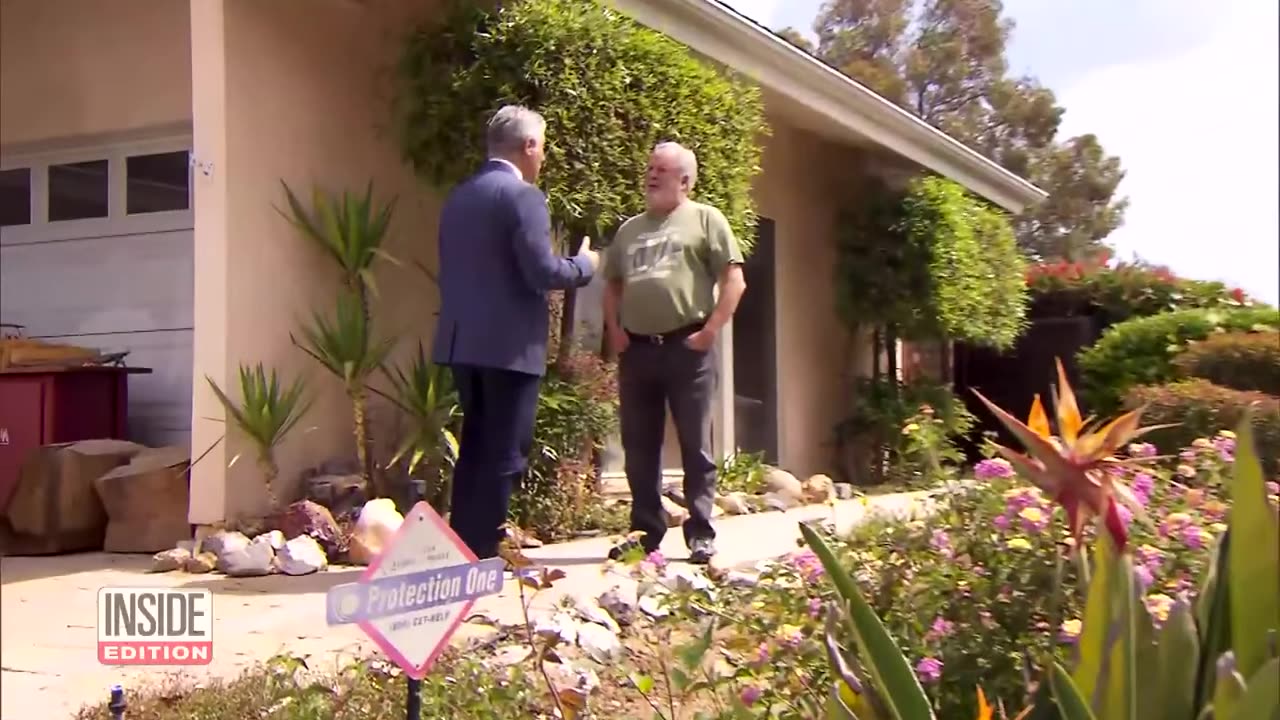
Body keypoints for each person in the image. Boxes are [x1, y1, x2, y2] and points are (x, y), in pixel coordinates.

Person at [432, 105, 600, 559]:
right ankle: (486, 548)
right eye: (542, 147)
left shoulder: (460, 196)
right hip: (508, 346)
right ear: (528, 146)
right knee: (506, 449)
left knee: (476, 444)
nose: (542, 157)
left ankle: (465, 544)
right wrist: (585, 265)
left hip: (462, 341)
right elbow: (542, 270)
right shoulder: (524, 197)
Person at [602, 141, 747, 564]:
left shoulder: (706, 219)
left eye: (661, 169)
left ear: (684, 180)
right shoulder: (630, 229)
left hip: (688, 349)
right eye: (649, 167)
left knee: (695, 445)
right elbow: (612, 286)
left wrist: (709, 332)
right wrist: (615, 332)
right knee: (638, 446)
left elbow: (734, 281)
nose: (650, 175)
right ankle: (645, 530)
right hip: (639, 352)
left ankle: (700, 532)